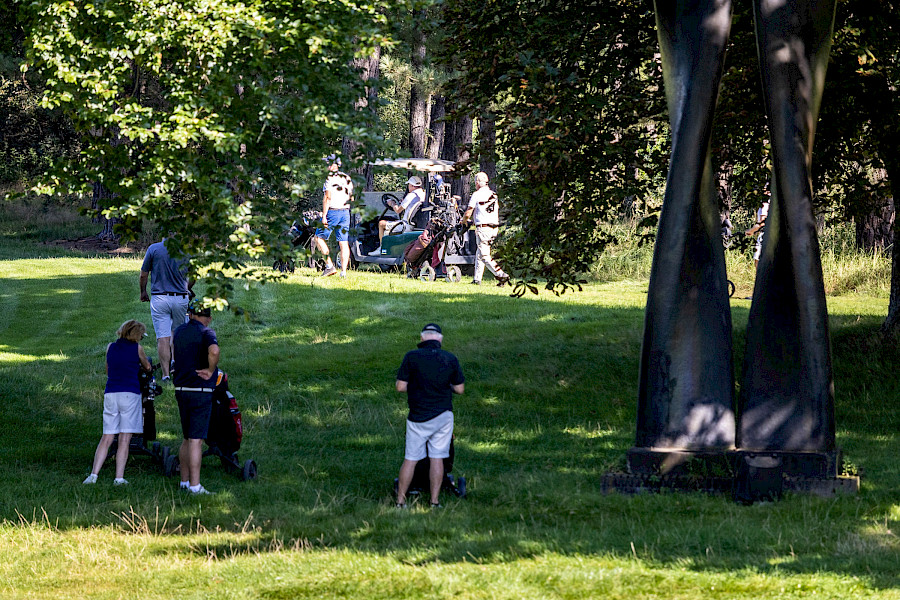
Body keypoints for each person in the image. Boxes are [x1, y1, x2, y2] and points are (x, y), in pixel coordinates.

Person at [395, 323, 465, 508]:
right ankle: (434, 501)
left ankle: (400, 501)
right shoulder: (450, 358)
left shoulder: (411, 357)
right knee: (437, 457)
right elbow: (459, 389)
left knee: (410, 458)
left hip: (418, 417)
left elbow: (400, 387)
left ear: (422, 338)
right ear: (440, 339)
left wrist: (419, 385)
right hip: (443, 415)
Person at [83, 320, 152, 486]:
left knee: (107, 437)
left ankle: (93, 475)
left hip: (111, 393)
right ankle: (119, 478)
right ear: (137, 335)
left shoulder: (110, 347)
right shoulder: (137, 349)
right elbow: (147, 367)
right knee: (124, 438)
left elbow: (109, 370)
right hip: (130, 394)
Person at [173, 303, 220, 495]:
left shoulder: (178, 331)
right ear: (207, 318)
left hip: (181, 387)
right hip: (200, 389)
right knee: (196, 440)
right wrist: (210, 370)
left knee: (186, 438)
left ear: (191, 315)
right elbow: (214, 351)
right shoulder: (207, 332)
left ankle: (184, 482)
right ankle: (195, 485)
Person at [140, 238, 193, 382]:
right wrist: (187, 288)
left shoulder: (154, 249)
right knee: (177, 333)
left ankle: (165, 374)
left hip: (160, 298)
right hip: (180, 298)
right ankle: (176, 361)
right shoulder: (186, 251)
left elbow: (143, 274)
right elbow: (194, 275)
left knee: (163, 337)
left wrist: (143, 292)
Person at [459, 172, 509, 286]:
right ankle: (477, 279)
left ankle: (501, 275)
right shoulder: (494, 195)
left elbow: (468, 212)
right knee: (480, 253)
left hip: (483, 228)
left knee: (485, 255)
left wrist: (464, 221)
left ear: (477, 182)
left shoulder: (477, 194)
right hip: (494, 228)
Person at [314, 158, 354, 277]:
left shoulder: (329, 178)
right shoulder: (347, 178)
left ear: (333, 166)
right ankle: (344, 272)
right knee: (343, 242)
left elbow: (327, 197)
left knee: (318, 238)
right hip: (345, 212)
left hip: (333, 212)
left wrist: (324, 216)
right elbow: (351, 197)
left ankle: (329, 266)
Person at [369, 176, 426, 255]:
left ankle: (382, 248)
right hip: (413, 223)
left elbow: (398, 210)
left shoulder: (411, 195)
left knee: (381, 223)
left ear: (412, 185)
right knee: (391, 223)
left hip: (406, 225)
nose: (408, 187)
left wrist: (392, 203)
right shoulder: (423, 193)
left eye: (409, 185)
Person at [745, 189, 770, 268]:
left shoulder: (764, 203)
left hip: (764, 236)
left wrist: (750, 231)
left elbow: (762, 223)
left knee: (758, 262)